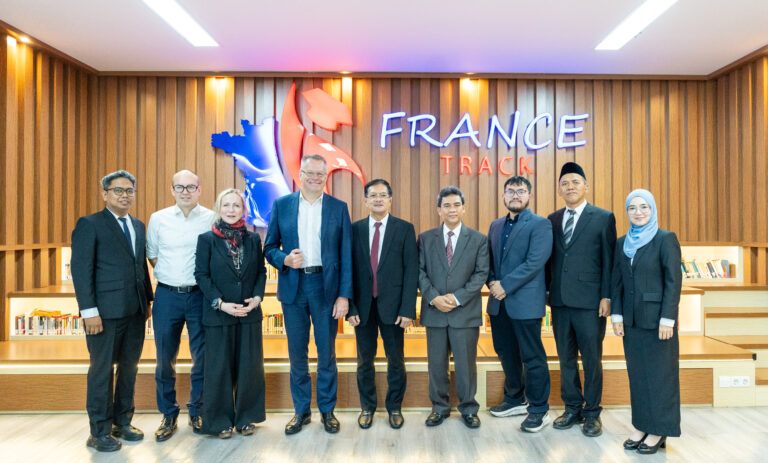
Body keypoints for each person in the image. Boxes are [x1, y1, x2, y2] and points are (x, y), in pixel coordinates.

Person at [264, 154, 353, 435]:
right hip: (294, 286)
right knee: (297, 354)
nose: (315, 178)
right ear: (300, 174)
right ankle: (301, 411)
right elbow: (269, 248)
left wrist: (344, 296)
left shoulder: (338, 207)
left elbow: (346, 255)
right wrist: (285, 260)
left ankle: (327, 410)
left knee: (326, 353)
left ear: (326, 177)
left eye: (320, 174)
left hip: (326, 288)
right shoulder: (282, 205)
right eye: (309, 173)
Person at [70, 170, 153, 452]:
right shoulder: (90, 224)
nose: (124, 195)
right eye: (118, 190)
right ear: (105, 194)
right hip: (103, 314)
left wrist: (147, 301)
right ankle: (99, 431)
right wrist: (88, 311)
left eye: (129, 191)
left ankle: (122, 422)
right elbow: (81, 271)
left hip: (135, 311)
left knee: (129, 369)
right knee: (102, 371)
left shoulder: (138, 225)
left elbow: (140, 267)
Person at [546, 162, 616, 437]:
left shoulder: (603, 217)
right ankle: (572, 408)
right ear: (559, 190)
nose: (570, 187)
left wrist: (606, 296)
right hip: (560, 302)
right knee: (565, 359)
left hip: (590, 303)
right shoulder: (552, 219)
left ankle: (592, 413)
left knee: (591, 360)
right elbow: (549, 261)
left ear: (586, 186)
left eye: (575, 182)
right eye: (565, 183)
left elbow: (609, 261)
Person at [611, 189, 682, 455]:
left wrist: (668, 319)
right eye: (632, 208)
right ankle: (641, 425)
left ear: (652, 210)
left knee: (660, 377)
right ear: (627, 212)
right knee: (638, 377)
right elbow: (616, 281)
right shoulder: (622, 243)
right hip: (631, 322)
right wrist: (617, 315)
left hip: (658, 323)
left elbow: (673, 282)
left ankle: (659, 430)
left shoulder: (665, 239)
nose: (638, 212)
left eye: (644, 207)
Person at [146, 170, 214, 441]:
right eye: (179, 187)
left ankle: (197, 410)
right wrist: (173, 277)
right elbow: (153, 255)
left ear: (199, 190)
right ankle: (168, 414)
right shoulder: (158, 219)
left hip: (200, 296)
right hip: (167, 296)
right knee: (164, 359)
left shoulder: (212, 218)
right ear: (172, 190)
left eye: (190, 187)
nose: (185, 192)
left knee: (202, 358)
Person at [194, 188, 267, 438]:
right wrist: (220, 303)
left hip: (249, 313)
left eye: (236, 205)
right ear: (218, 208)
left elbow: (260, 272)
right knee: (218, 370)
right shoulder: (206, 239)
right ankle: (219, 422)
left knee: (249, 369)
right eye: (226, 205)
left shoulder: (253, 239)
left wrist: (257, 298)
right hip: (218, 314)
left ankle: (246, 418)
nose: (231, 210)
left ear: (243, 210)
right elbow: (201, 275)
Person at [347, 179, 418, 430]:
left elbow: (411, 271)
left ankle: (394, 407)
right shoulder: (354, 230)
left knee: (395, 360)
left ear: (390, 200)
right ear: (365, 200)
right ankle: (367, 407)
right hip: (362, 309)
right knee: (364, 361)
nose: (378, 199)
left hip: (394, 309)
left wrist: (408, 309)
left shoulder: (404, 229)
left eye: (383, 195)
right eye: (373, 195)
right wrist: (351, 307)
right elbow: (348, 271)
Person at [486, 176, 553, 433]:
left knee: (532, 356)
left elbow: (535, 261)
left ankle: (538, 409)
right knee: (506, 352)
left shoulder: (540, 224)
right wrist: (492, 282)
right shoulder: (495, 225)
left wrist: (505, 285)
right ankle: (515, 398)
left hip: (525, 302)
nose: (515, 195)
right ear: (503, 196)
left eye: (521, 191)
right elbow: (489, 260)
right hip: (498, 303)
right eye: (511, 191)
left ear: (529, 196)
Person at [418, 186, 489, 429]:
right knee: (436, 364)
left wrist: (457, 298)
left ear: (463, 208)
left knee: (466, 365)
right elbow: (419, 272)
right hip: (434, 312)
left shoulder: (479, 239)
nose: (452, 209)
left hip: (464, 312)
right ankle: (439, 408)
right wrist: (434, 298)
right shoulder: (426, 239)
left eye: (456, 205)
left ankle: (469, 409)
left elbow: (481, 274)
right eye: (446, 205)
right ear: (439, 210)